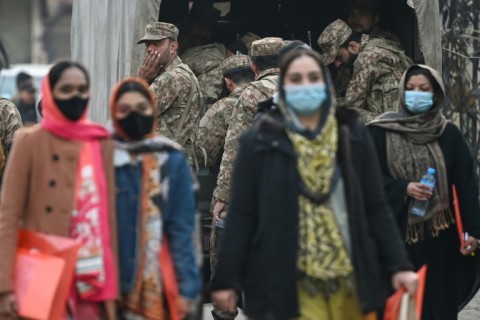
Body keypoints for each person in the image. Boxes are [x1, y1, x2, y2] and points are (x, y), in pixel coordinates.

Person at [210, 47, 418, 320]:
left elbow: (375, 206)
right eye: (296, 79)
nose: (305, 86)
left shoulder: (351, 133)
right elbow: (243, 215)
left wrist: (398, 265)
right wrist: (227, 277)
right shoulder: (260, 140)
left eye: (313, 77)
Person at [0, 61, 118, 320]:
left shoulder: (100, 142)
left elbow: (108, 217)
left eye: (82, 89)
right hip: (45, 269)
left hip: (92, 275)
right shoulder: (29, 142)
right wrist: (4, 287)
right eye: (66, 89)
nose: (75, 96)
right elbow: (8, 217)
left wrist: (115, 283)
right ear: (51, 93)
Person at [368, 64, 480, 320]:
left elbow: (466, 185)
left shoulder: (448, 133)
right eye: (410, 89)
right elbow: (366, 180)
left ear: (436, 94)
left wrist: (473, 233)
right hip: (394, 238)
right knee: (397, 308)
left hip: (441, 241)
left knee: (437, 306)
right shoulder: (380, 131)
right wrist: (403, 188)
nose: (416, 94)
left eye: (423, 89)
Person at [110, 78, 202, 319]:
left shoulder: (171, 159)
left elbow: (183, 228)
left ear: (153, 111)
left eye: (142, 109)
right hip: (106, 287)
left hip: (158, 281)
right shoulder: (99, 156)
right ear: (113, 113)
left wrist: (187, 287)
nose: (133, 116)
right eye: (124, 110)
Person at [212, 37, 283, 221]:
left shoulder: (252, 94)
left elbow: (235, 146)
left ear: (254, 67)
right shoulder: (305, 87)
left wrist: (223, 196)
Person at [318, 19, 412, 123]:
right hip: (398, 115)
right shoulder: (373, 43)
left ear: (353, 47)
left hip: (393, 122)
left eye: (339, 57)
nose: (337, 64)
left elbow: (352, 105)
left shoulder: (367, 56)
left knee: (345, 113)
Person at [137, 22, 204, 152]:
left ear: (173, 47)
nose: (150, 49)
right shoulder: (182, 72)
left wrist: (141, 79)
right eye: (147, 44)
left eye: (157, 43)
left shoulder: (171, 78)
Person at [180, 7, 227, 107]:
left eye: (209, 29)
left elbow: (203, 105)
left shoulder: (212, 57)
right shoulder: (174, 42)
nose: (204, 33)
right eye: (200, 25)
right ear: (189, 23)